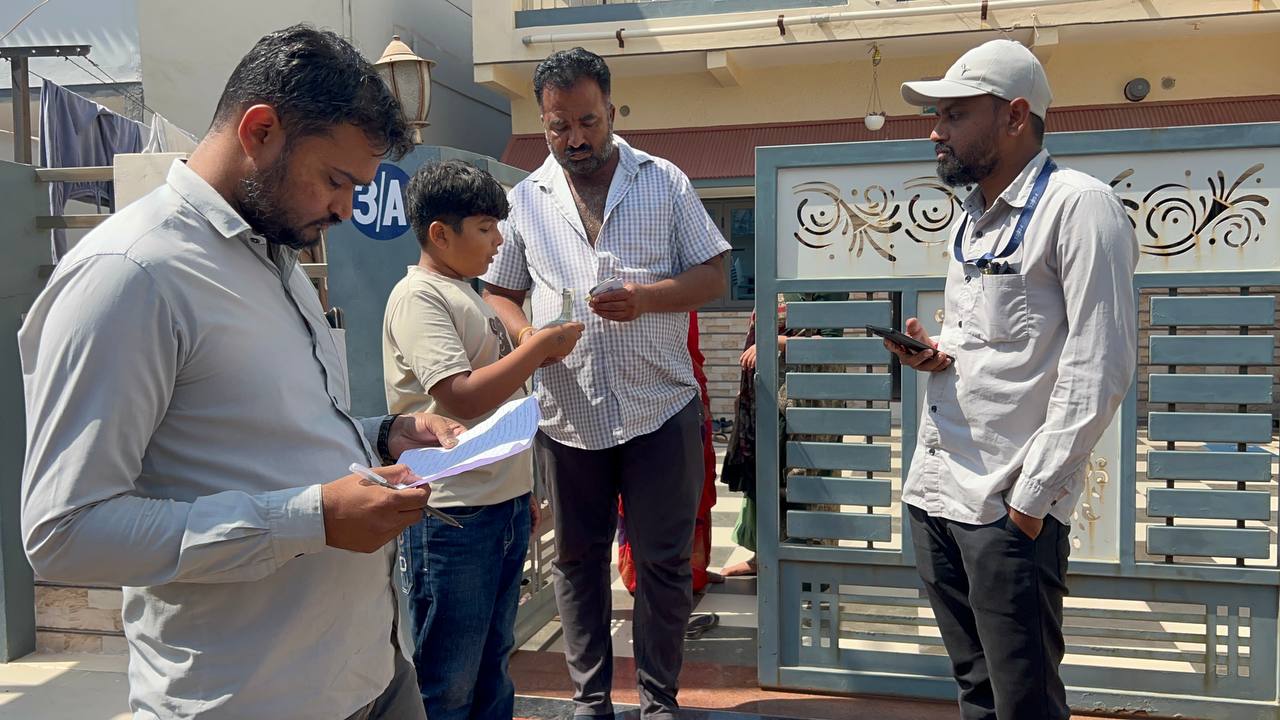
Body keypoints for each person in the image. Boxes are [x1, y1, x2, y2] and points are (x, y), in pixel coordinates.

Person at [19, 25, 459, 720]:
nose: (346, 209)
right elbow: (64, 533)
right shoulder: (130, 275)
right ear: (259, 131)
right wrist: (310, 520)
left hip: (372, 669)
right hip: (251, 696)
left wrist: (382, 435)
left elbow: (259, 431)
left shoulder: (275, 256)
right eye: (336, 180)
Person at [480, 47, 731, 720]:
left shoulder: (664, 181)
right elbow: (499, 291)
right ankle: (590, 701)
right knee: (576, 560)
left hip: (660, 408)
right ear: (543, 122)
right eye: (558, 126)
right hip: (570, 414)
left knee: (664, 563)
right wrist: (527, 338)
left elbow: (715, 275)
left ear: (612, 112)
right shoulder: (525, 201)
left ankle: (658, 700)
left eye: (587, 122)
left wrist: (646, 298)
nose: (574, 139)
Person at [892, 39, 1137, 720]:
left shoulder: (1080, 208)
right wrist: (937, 353)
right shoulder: (973, 216)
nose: (936, 131)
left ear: (1015, 116)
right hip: (937, 493)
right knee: (975, 690)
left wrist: (1029, 503)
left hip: (1005, 505)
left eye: (954, 114)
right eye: (936, 115)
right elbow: (1001, 343)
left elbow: (1101, 365)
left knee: (1024, 702)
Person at [382, 159, 584, 719]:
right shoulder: (420, 296)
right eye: (485, 228)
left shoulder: (465, 292)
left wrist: (520, 493)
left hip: (498, 504)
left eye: (498, 227)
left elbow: (495, 394)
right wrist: (537, 348)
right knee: (449, 676)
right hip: (453, 513)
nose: (497, 242)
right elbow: (461, 396)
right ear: (440, 234)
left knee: (494, 660)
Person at [719, 293, 843, 577]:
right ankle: (764, 556)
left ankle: (809, 565)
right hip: (768, 394)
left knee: (804, 478)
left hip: (808, 399)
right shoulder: (774, 281)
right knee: (765, 474)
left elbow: (830, 344)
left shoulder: (823, 285)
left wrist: (772, 342)